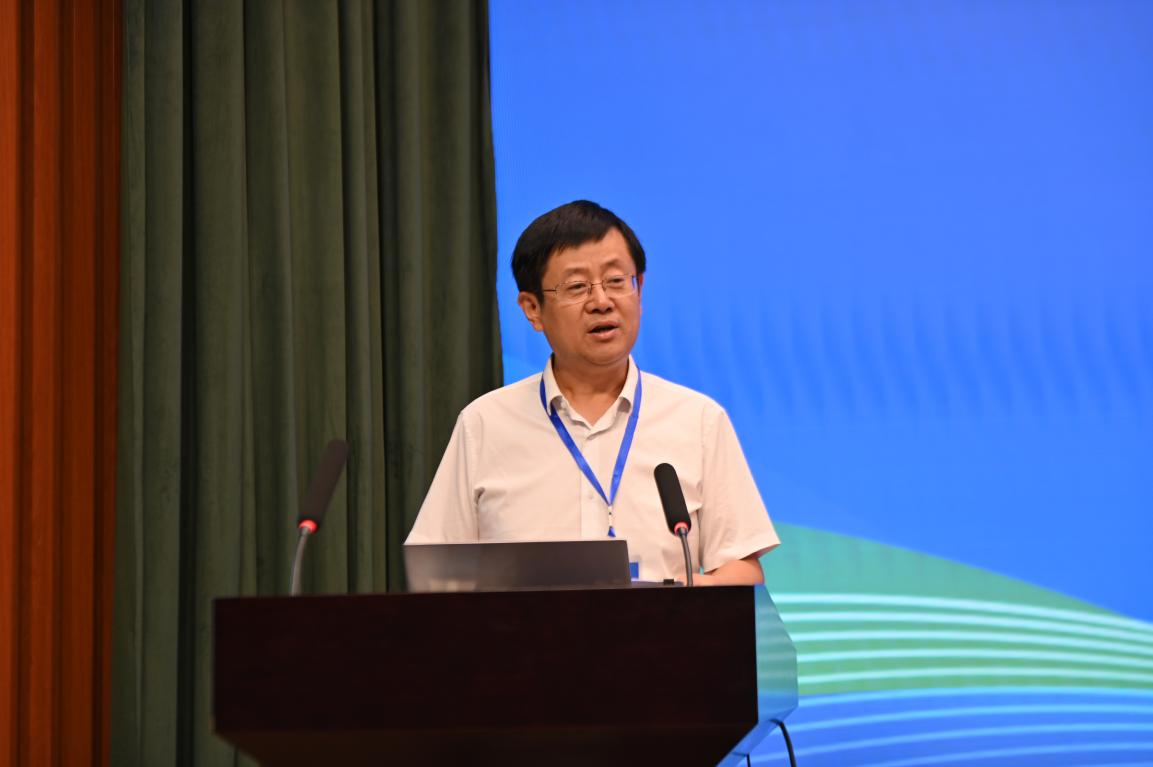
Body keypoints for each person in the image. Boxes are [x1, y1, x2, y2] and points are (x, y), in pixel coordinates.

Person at [406, 200, 778, 584]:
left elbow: (742, 567)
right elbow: (434, 576)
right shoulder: (485, 424)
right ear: (532, 308)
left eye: (616, 281)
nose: (601, 302)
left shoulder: (698, 420)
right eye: (577, 287)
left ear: (639, 288)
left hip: (660, 626)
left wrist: (697, 591)